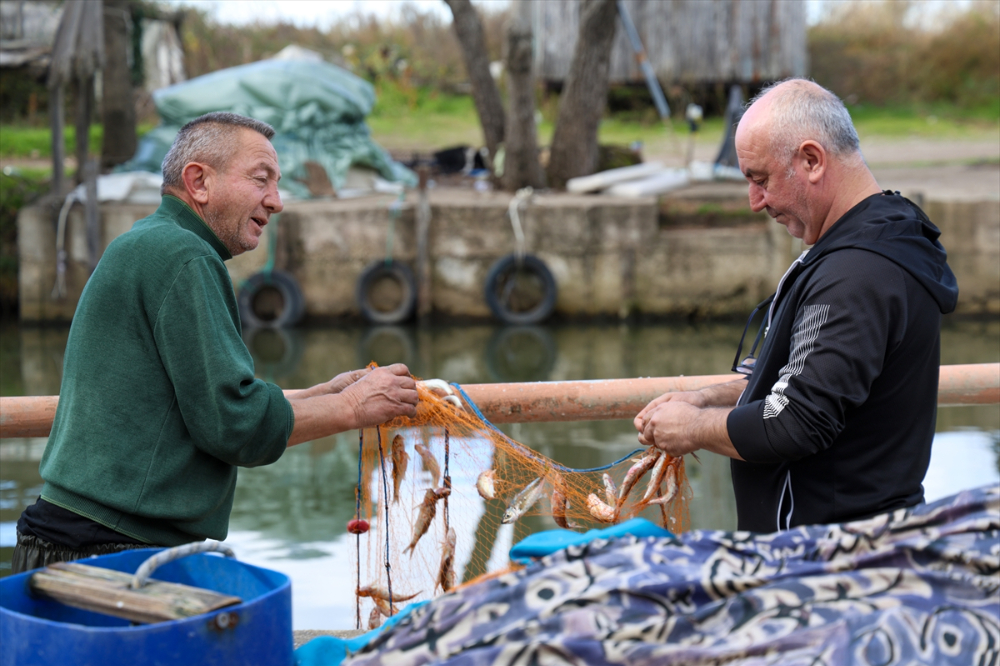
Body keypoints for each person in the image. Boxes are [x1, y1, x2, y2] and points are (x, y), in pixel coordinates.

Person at [12, 112, 419, 573]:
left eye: (277, 183)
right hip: (105, 550)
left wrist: (321, 395)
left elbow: (201, 406)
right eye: (261, 179)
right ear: (199, 182)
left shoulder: (149, 241)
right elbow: (233, 426)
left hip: (68, 537)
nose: (277, 201)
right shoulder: (185, 256)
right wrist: (352, 407)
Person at [634, 80, 958, 532]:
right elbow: (796, 382)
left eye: (760, 179)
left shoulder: (857, 275)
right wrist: (702, 401)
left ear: (811, 160)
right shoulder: (872, 242)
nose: (755, 202)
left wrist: (693, 428)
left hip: (830, 554)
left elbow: (795, 421)